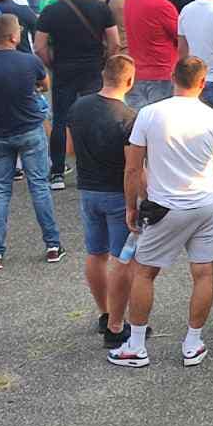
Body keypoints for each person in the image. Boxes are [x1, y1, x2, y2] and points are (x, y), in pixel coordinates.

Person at [109, 57, 213, 368]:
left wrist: (131, 205)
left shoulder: (150, 114)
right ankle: (193, 341)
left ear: (172, 77)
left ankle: (136, 344)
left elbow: (133, 168)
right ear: (202, 83)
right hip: (205, 204)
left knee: (145, 272)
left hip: (165, 206)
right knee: (203, 273)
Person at [0, 13, 63, 269]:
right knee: (38, 186)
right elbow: (44, 84)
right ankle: (52, 244)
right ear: (15, 36)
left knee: (1, 190)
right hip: (29, 129)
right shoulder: (28, 61)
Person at [69, 54, 138, 343]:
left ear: (103, 74)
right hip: (116, 193)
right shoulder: (128, 117)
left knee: (95, 254)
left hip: (88, 190)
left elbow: (70, 150)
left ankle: (105, 312)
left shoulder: (78, 107)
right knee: (123, 259)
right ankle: (118, 323)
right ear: (130, 81)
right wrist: (135, 202)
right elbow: (132, 167)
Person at [36, 0, 120, 188]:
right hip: (93, 68)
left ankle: (57, 173)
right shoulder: (100, 8)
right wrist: (104, 62)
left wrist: (51, 63)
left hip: (64, 69)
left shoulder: (51, 12)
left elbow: (40, 46)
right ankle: (99, 167)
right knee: (96, 116)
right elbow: (114, 42)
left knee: (61, 120)